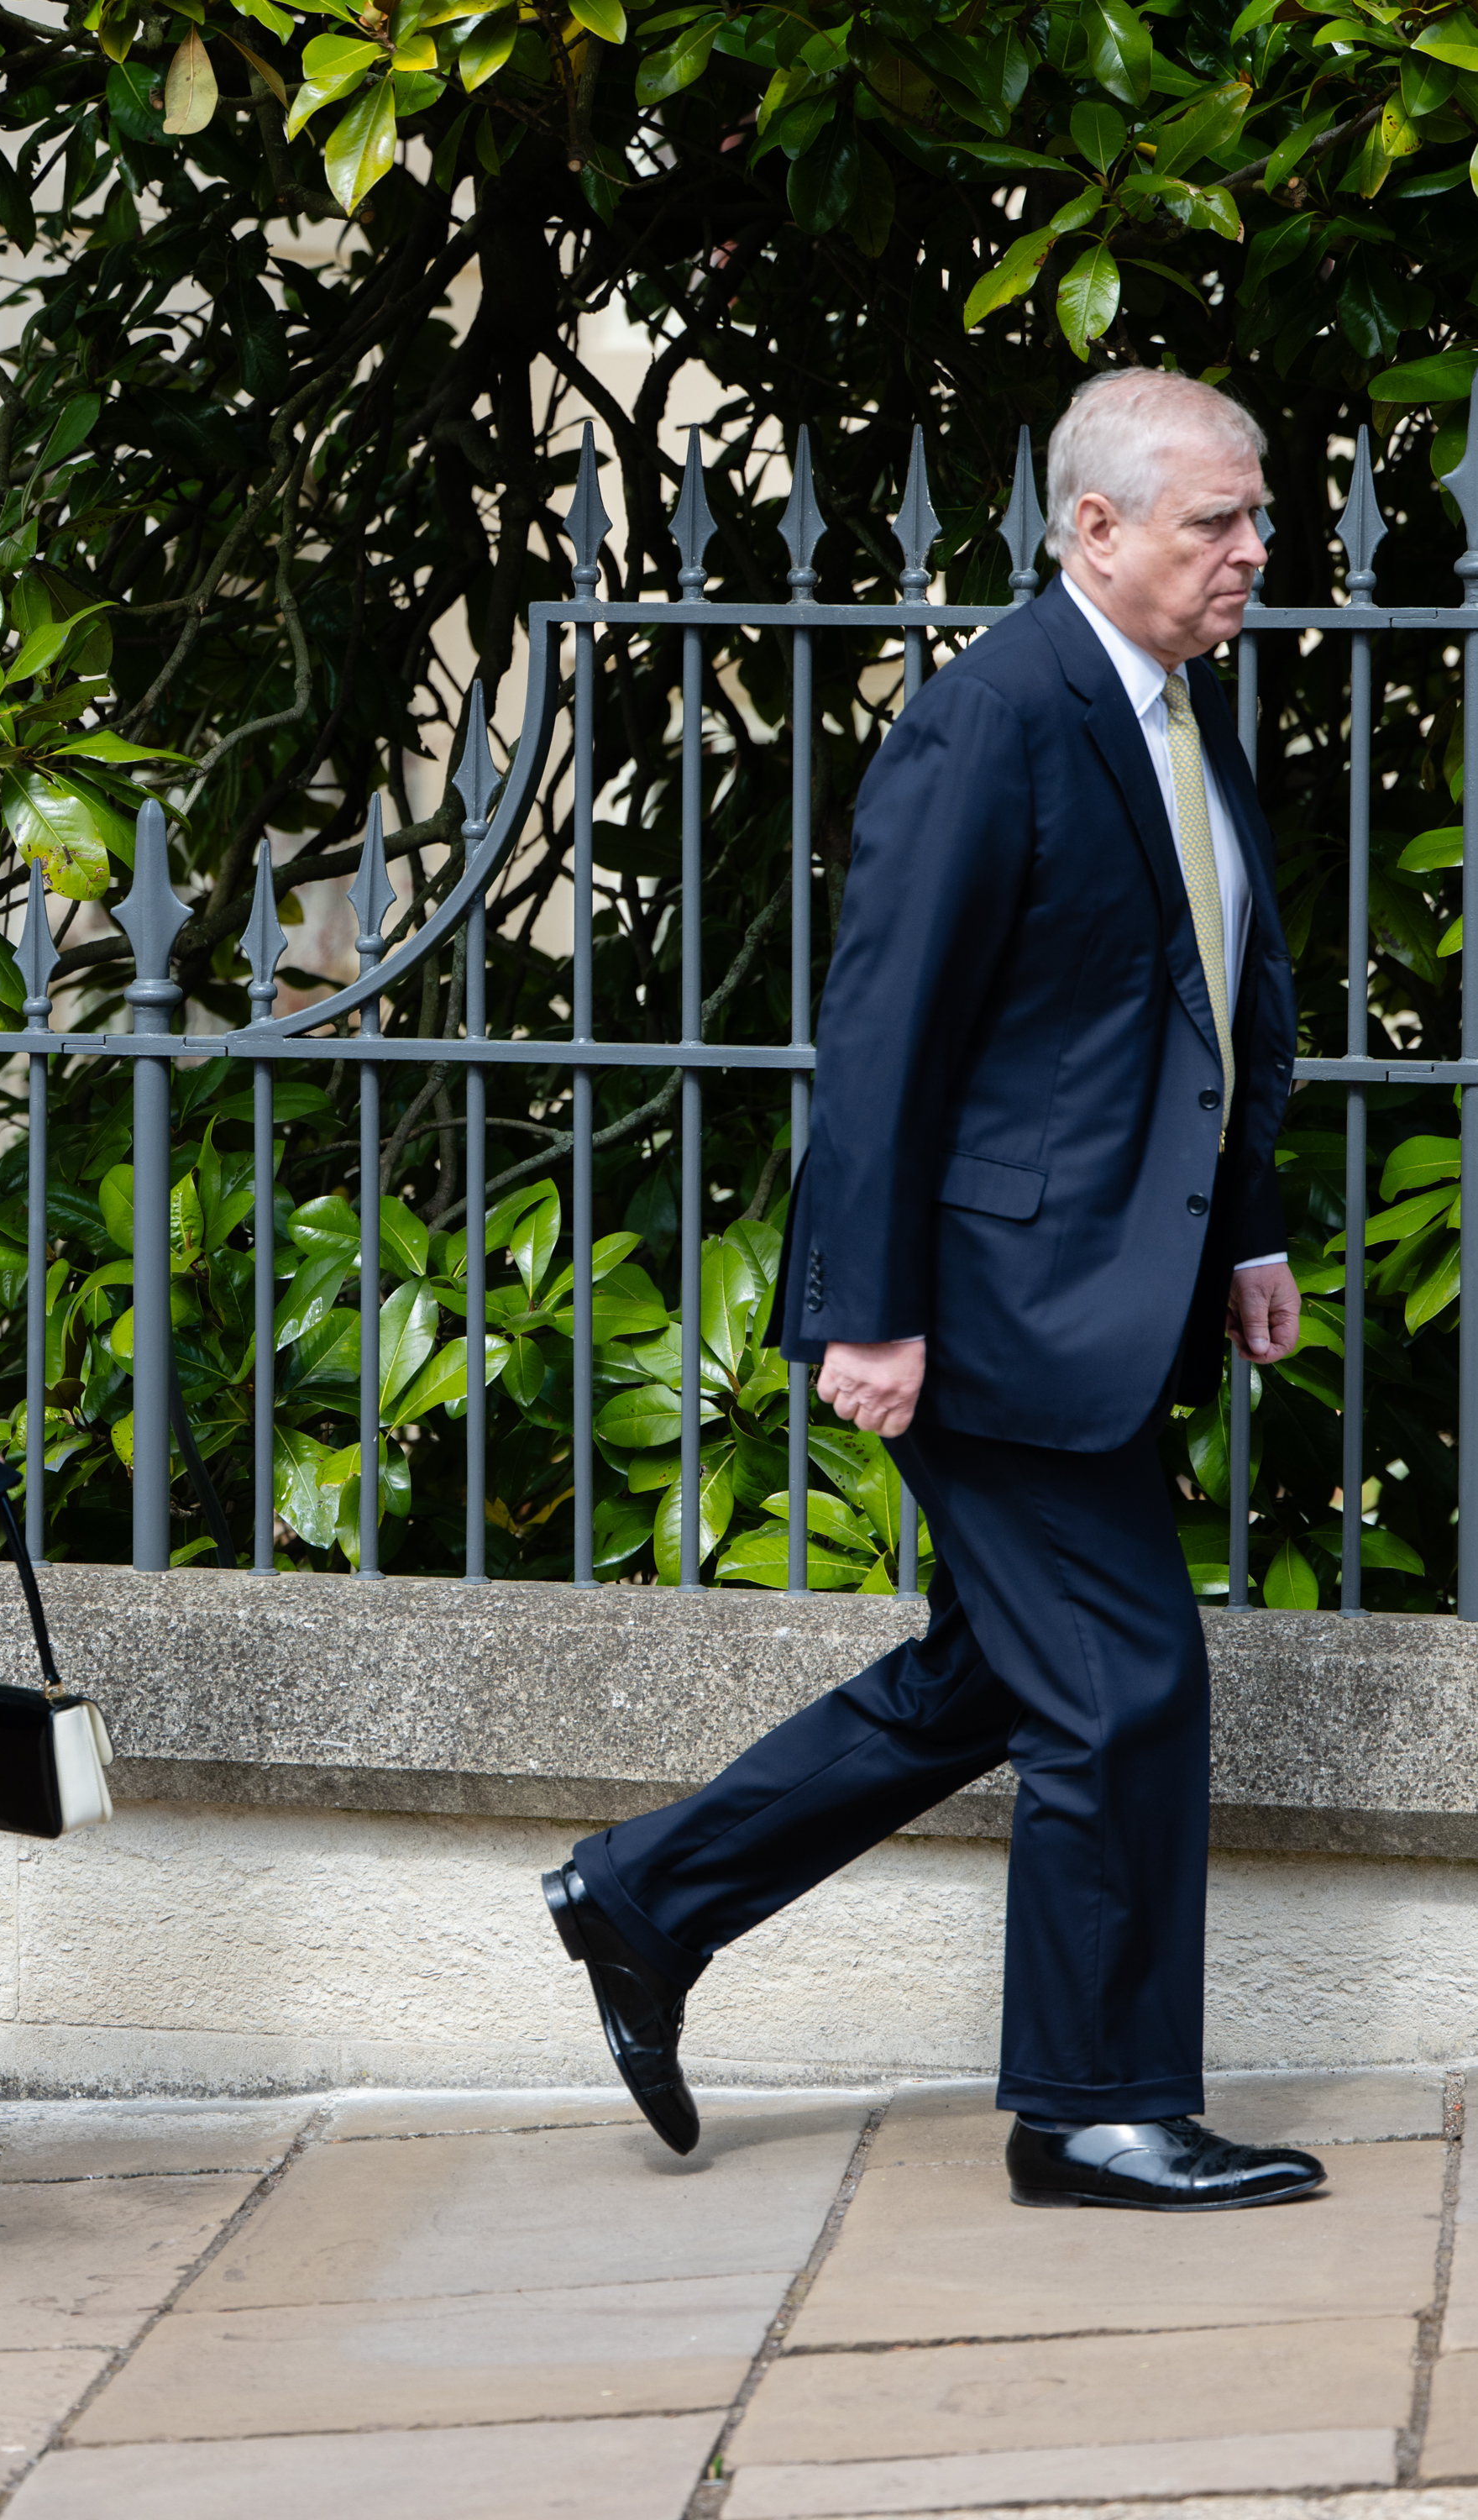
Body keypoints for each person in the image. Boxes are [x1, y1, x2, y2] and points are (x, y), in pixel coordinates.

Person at [543, 370, 1325, 2213]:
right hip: (993, 1310)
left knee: (996, 1671)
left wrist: (1246, 1232)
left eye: (1257, 518)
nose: (1250, 552)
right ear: (1093, 529)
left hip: (1106, 1292)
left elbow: (1207, 1009)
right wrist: (864, 1307)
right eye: (1214, 521)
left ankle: (644, 1894)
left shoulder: (1170, 713)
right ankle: (1088, 2108)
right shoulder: (994, 720)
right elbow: (882, 1040)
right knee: (1122, 1688)